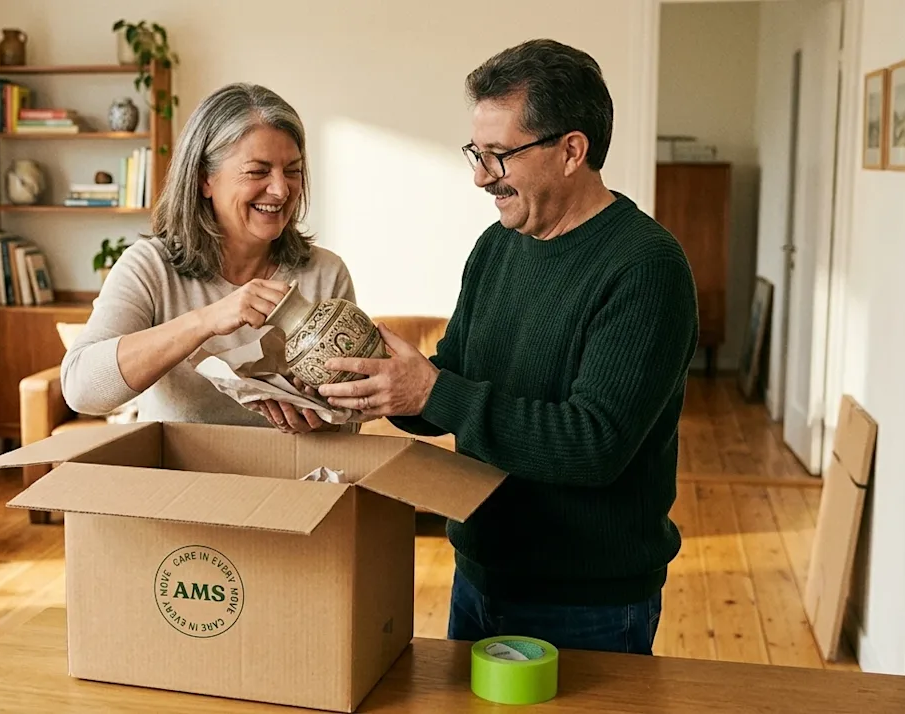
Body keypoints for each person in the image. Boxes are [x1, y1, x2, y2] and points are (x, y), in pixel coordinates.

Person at [317, 39, 699, 655]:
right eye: (476, 152)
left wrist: (434, 389)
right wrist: (381, 388)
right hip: (478, 572)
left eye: (499, 155)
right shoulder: (496, 248)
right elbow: (454, 386)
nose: (479, 175)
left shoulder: (645, 267)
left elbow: (594, 445)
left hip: (587, 603)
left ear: (572, 150)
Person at [62, 83, 354, 433]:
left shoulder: (325, 274)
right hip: (178, 483)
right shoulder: (149, 267)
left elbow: (349, 425)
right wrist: (206, 321)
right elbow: (81, 390)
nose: (281, 190)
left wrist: (325, 412)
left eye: (292, 170)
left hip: (292, 481)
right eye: (258, 171)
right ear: (205, 179)